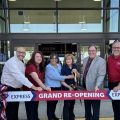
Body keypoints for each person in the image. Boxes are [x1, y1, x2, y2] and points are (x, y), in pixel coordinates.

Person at [1, 47, 42, 120]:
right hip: (9, 89)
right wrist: (34, 87)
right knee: (11, 111)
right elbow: (20, 77)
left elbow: (23, 76)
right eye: (19, 52)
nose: (21, 54)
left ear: (25, 54)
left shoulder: (21, 62)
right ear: (16, 52)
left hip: (16, 89)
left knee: (15, 110)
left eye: (23, 53)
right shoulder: (12, 62)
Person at [45, 53, 74, 120]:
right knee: (50, 105)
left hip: (58, 88)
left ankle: (53, 116)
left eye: (55, 58)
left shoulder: (59, 65)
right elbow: (56, 77)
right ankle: (50, 117)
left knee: (55, 103)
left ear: (57, 59)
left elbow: (61, 74)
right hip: (50, 88)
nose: (54, 60)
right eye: (52, 58)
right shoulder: (48, 67)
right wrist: (69, 77)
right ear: (50, 59)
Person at [23, 51, 51, 120]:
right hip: (29, 92)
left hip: (36, 92)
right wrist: (45, 88)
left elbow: (42, 79)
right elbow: (37, 79)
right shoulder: (31, 66)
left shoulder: (39, 66)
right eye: (37, 56)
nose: (39, 58)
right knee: (31, 112)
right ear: (33, 58)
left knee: (35, 110)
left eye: (40, 56)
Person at [82, 45, 106, 120]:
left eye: (93, 50)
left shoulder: (101, 61)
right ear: (88, 51)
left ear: (96, 51)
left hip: (95, 89)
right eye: (89, 50)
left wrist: (97, 85)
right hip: (85, 88)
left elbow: (101, 75)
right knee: (87, 108)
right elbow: (85, 73)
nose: (91, 52)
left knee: (95, 110)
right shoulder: (85, 59)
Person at [61, 54, 80, 120]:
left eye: (69, 59)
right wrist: (69, 87)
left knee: (72, 103)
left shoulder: (75, 66)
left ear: (72, 60)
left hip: (74, 88)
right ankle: (66, 118)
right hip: (66, 88)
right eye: (67, 59)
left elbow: (78, 76)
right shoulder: (63, 68)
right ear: (65, 60)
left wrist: (76, 72)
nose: (68, 60)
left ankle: (71, 117)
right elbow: (62, 81)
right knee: (66, 104)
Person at [107, 41, 120, 120]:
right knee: (114, 106)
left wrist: (118, 86)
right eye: (114, 47)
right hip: (111, 84)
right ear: (112, 48)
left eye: (118, 47)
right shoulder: (109, 58)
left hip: (119, 84)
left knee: (119, 107)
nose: (116, 49)